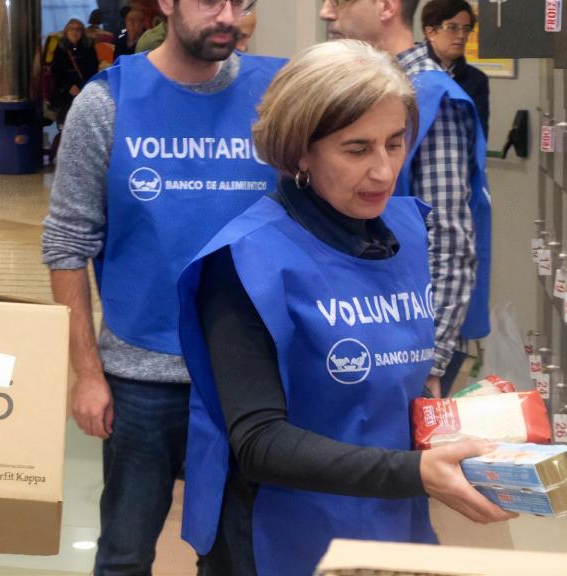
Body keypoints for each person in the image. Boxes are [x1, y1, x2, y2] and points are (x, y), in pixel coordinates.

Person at [177, 40, 515, 576]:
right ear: (300, 152)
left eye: (395, 142)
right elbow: (260, 442)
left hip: (390, 514)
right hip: (281, 530)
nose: (383, 171)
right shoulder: (245, 261)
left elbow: (393, 386)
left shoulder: (406, 231)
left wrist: (467, 426)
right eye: (357, 150)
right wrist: (416, 472)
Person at [41, 0, 281, 573]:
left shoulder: (276, 95)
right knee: (124, 552)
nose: (228, 15)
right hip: (140, 373)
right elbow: (68, 246)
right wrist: (87, 374)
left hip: (247, 375)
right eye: (210, 2)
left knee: (236, 556)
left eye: (241, 2)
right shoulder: (107, 104)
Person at [320, 0, 492, 398]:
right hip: (368, 325)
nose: (327, 12)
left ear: (385, 6)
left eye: (338, 1)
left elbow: (448, 240)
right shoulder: (374, 90)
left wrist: (430, 364)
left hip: (409, 348)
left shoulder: (429, 96)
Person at [422, 0, 489, 138]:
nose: (461, 35)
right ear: (430, 32)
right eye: (452, 27)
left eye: (466, 28)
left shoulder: (476, 80)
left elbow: (479, 137)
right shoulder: (412, 73)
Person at [49, 18, 99, 125]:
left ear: (82, 32)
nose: (74, 32)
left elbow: (93, 69)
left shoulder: (88, 47)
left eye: (78, 29)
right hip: (65, 92)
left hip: (84, 91)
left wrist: (80, 87)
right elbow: (56, 71)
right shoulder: (60, 47)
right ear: (66, 32)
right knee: (65, 122)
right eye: (71, 29)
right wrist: (69, 86)